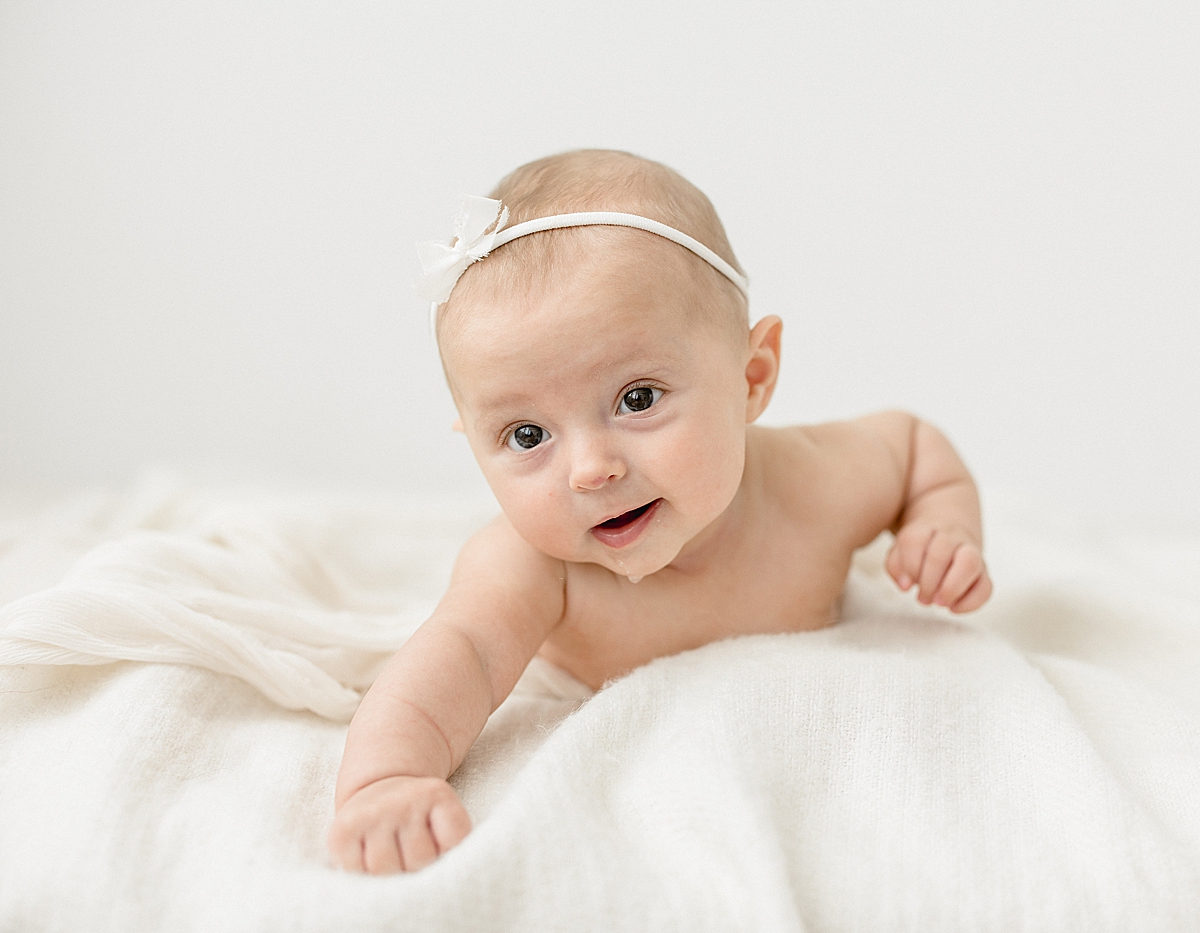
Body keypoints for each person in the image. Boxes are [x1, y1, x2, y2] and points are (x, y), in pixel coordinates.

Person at [328, 149, 992, 874]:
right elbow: (458, 661)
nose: (589, 468)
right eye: (527, 436)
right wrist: (386, 779)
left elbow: (914, 444)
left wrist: (941, 525)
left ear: (751, 378)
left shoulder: (815, 486)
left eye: (637, 398)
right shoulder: (532, 569)